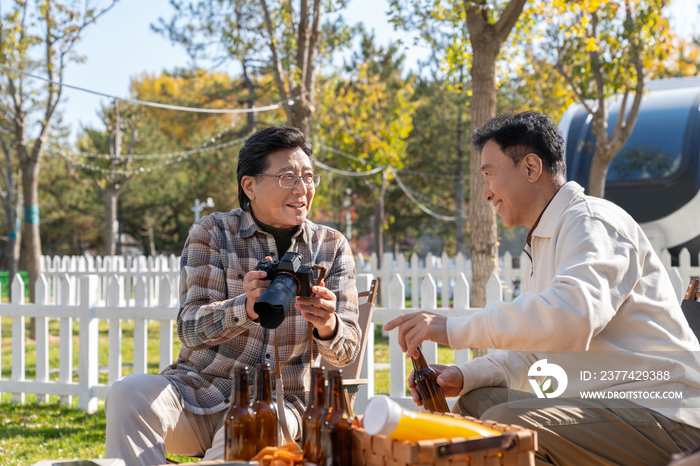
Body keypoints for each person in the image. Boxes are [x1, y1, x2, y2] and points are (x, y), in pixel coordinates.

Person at [384, 111, 700, 465]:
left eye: (489, 175)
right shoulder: (545, 237)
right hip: (608, 408)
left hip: (666, 415)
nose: (486, 193)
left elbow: (572, 319)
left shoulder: (592, 223)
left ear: (531, 168)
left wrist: (452, 328)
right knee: (476, 402)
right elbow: (536, 354)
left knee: (506, 428)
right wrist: (462, 375)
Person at [105, 126, 361, 465]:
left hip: (281, 405)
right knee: (128, 393)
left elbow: (346, 353)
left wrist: (328, 325)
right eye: (287, 177)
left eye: (309, 178)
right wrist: (244, 307)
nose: (302, 189)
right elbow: (190, 328)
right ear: (249, 185)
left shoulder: (331, 246)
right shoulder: (212, 232)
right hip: (200, 392)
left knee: (257, 424)